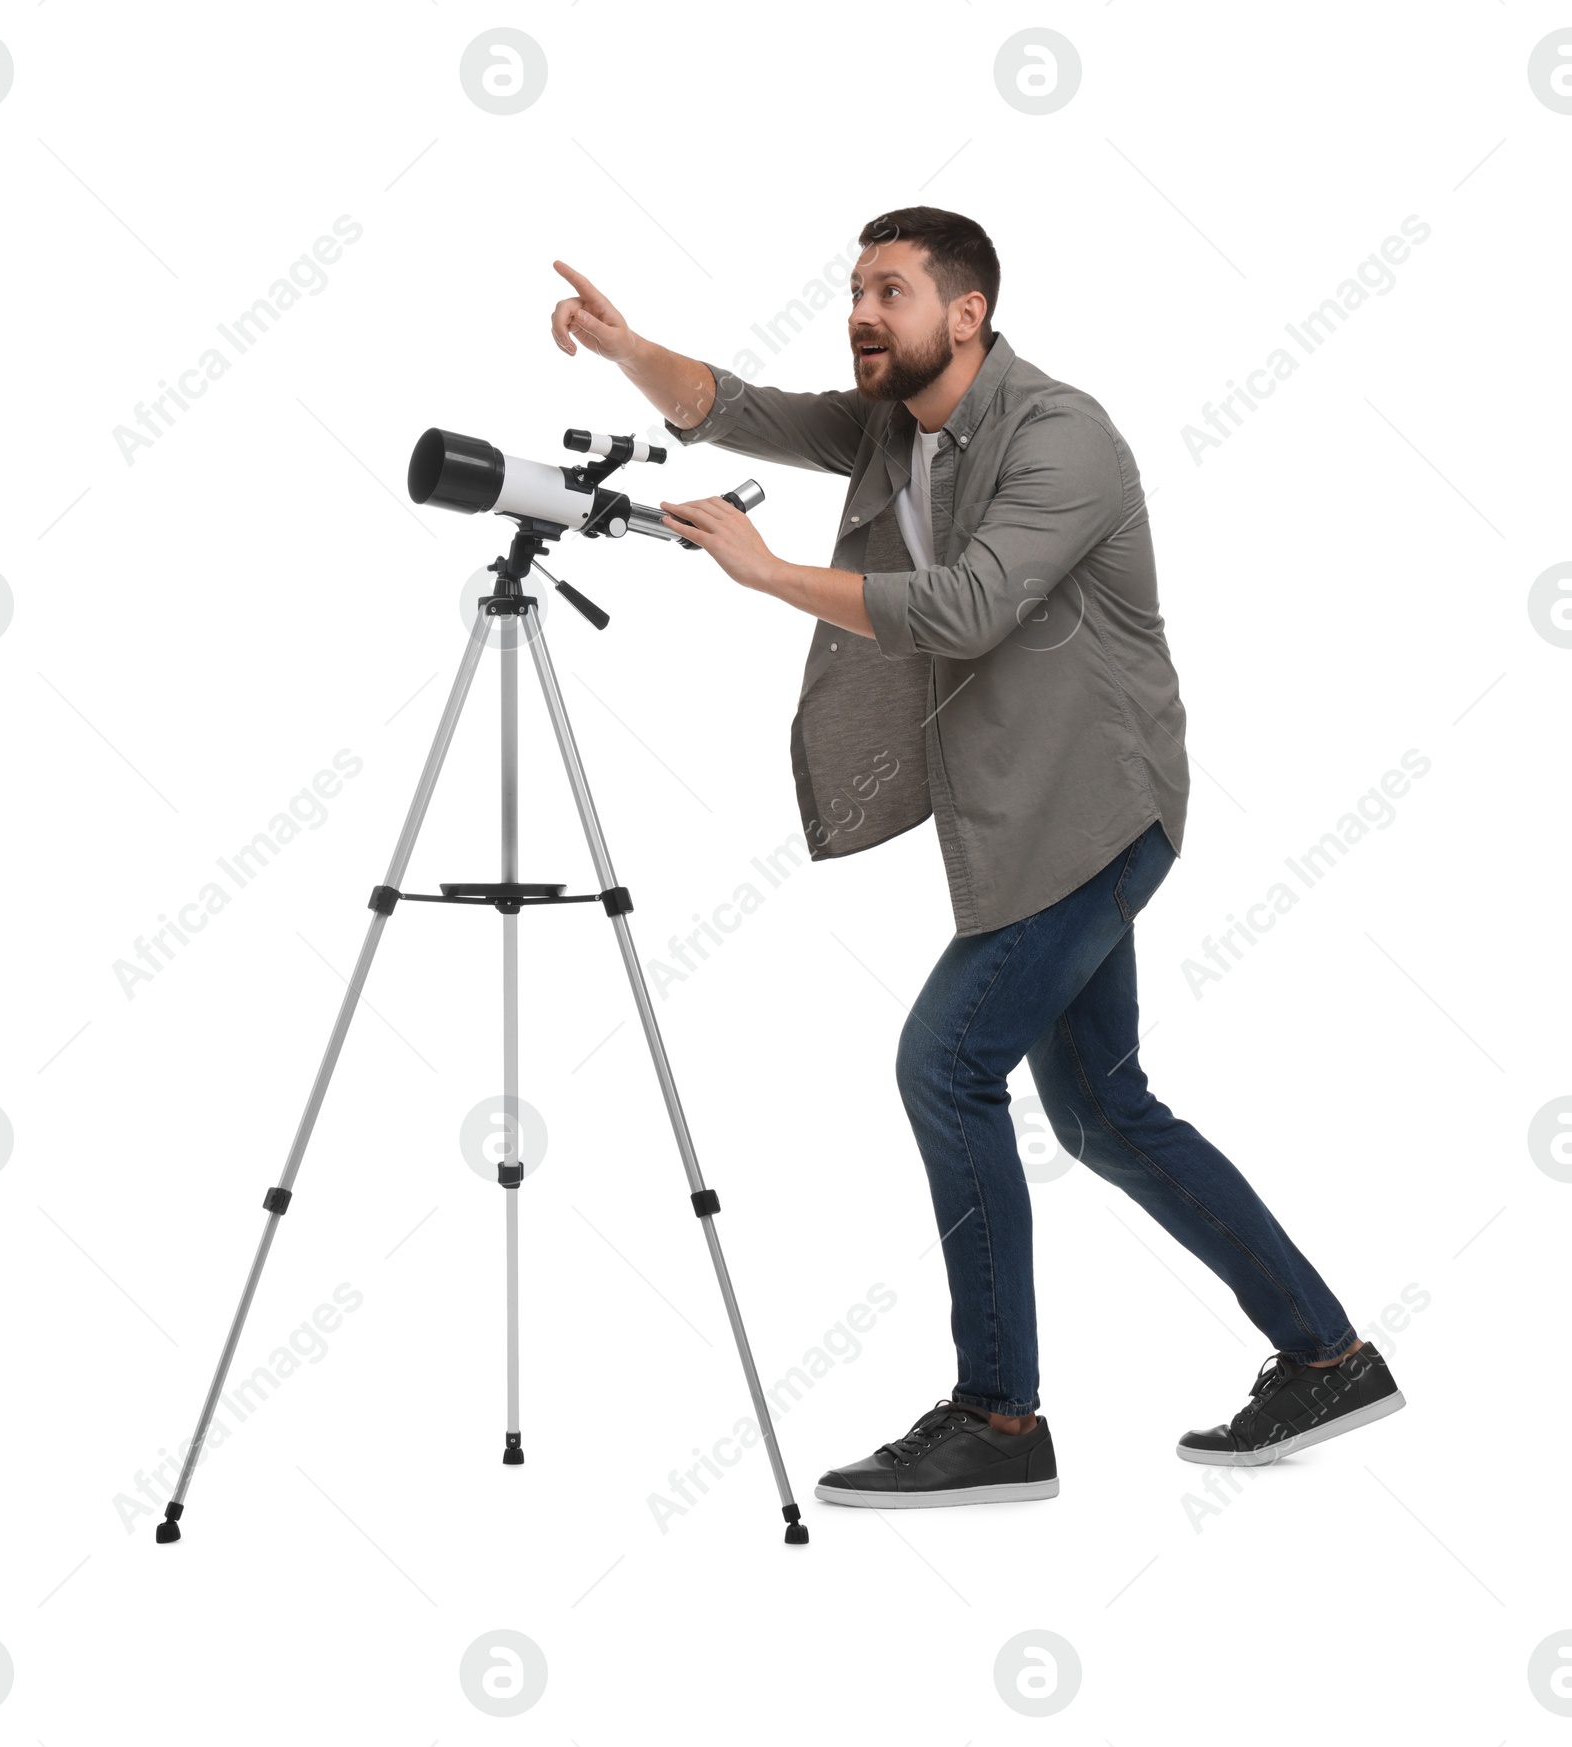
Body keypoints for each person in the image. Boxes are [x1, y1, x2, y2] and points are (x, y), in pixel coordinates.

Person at [548, 206, 1405, 1509]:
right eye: (852, 289)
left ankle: (999, 1421)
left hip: (1099, 811)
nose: (858, 313)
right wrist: (625, 350)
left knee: (945, 1065)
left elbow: (965, 607)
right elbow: (736, 406)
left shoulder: (1062, 435)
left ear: (968, 313)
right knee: (1105, 1109)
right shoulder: (895, 425)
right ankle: (1327, 1357)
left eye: (887, 291)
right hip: (1018, 819)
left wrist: (771, 573)